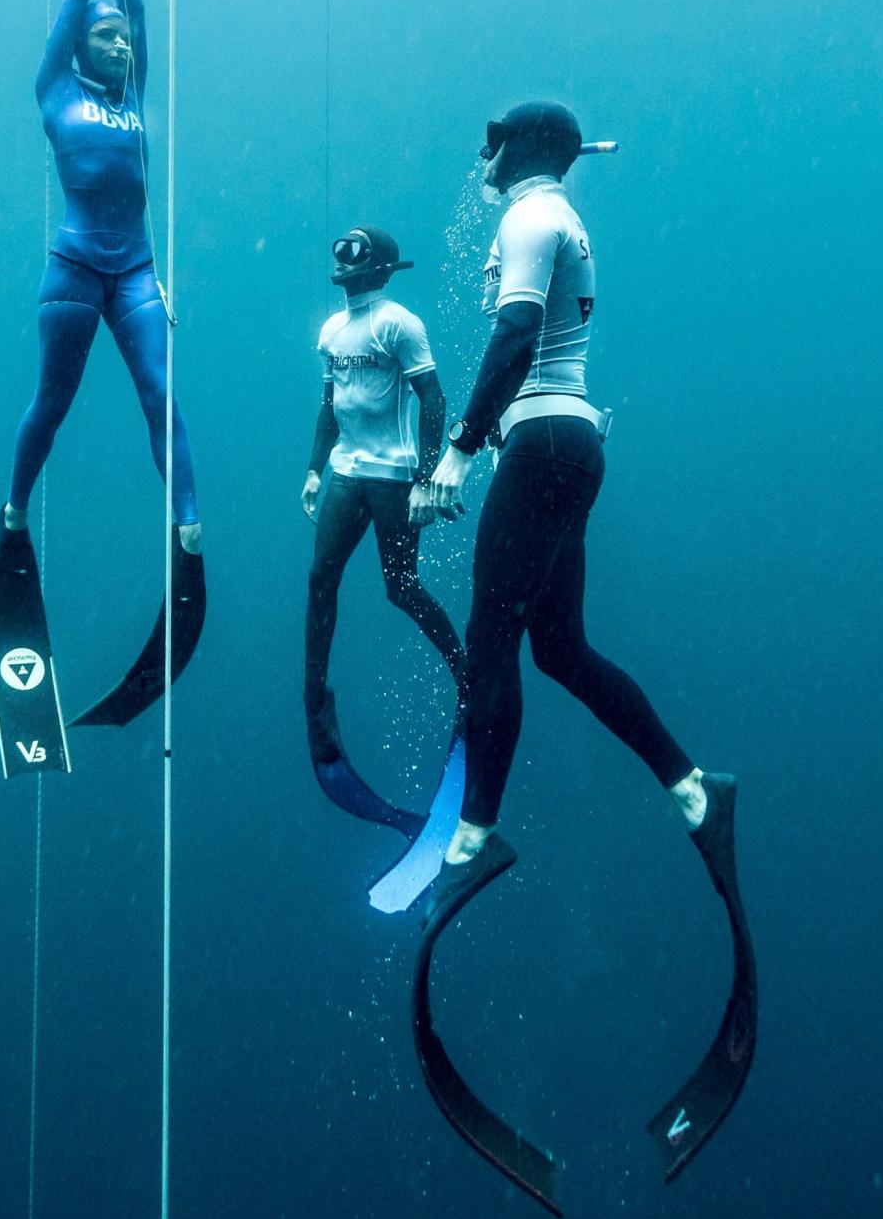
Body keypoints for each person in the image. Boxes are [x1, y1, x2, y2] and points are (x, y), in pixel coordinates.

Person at [427, 101, 726, 889]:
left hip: (544, 443)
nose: (480, 162)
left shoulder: (531, 221)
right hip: (570, 441)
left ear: (520, 150)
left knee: (491, 638)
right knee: (559, 649)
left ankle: (477, 828)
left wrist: (459, 449)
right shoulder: (563, 219)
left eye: (488, 146)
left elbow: (518, 334)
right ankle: (692, 787)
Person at [3, 0, 199, 554]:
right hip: (77, 268)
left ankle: (189, 528)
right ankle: (16, 508)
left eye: (122, 41)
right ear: (80, 47)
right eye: (105, 38)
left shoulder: (133, 97)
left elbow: (137, 14)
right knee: (53, 404)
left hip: (137, 272)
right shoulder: (56, 88)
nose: (120, 46)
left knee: (160, 393)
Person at [303, 228, 465, 806]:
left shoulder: (400, 323)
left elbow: (435, 399)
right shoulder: (331, 331)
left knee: (400, 587)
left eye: (357, 257)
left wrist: (424, 478)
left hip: (393, 477)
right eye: (340, 255)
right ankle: (313, 698)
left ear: (382, 270)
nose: (346, 267)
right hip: (347, 474)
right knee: (321, 578)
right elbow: (331, 405)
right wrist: (315, 469)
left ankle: (463, 669)